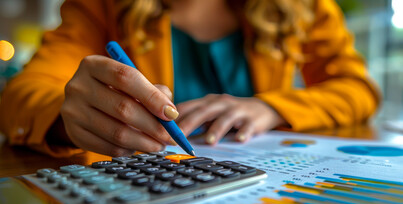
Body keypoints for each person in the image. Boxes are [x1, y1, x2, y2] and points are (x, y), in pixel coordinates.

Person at [0, 0, 380, 158]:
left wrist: (272, 107)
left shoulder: (303, 5)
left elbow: (357, 87)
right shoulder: (102, 5)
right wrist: (66, 121)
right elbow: (22, 93)